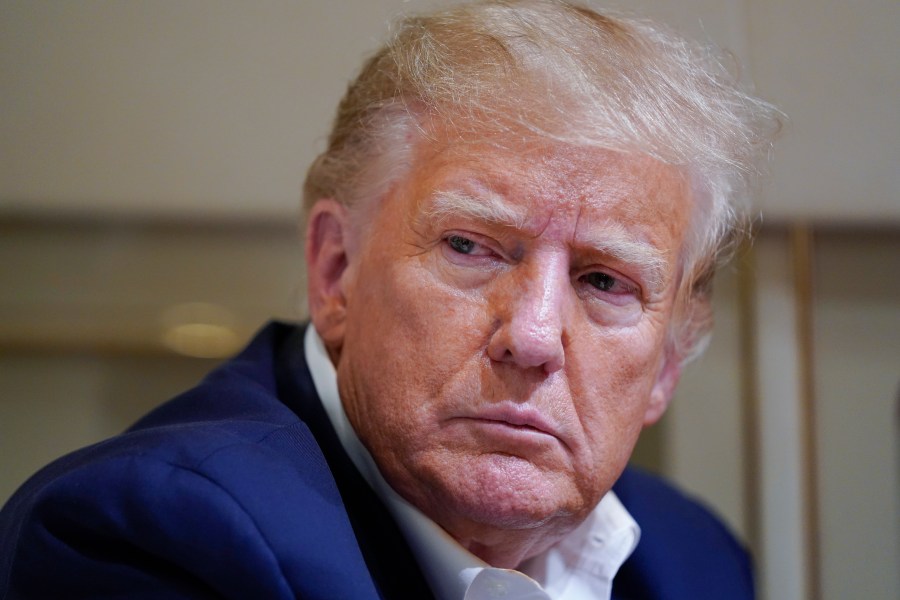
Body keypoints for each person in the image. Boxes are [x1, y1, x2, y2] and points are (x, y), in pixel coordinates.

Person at [0, 1, 780, 598]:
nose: (535, 336)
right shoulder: (150, 537)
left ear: (671, 362)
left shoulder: (695, 559)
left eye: (606, 281)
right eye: (470, 247)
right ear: (336, 269)